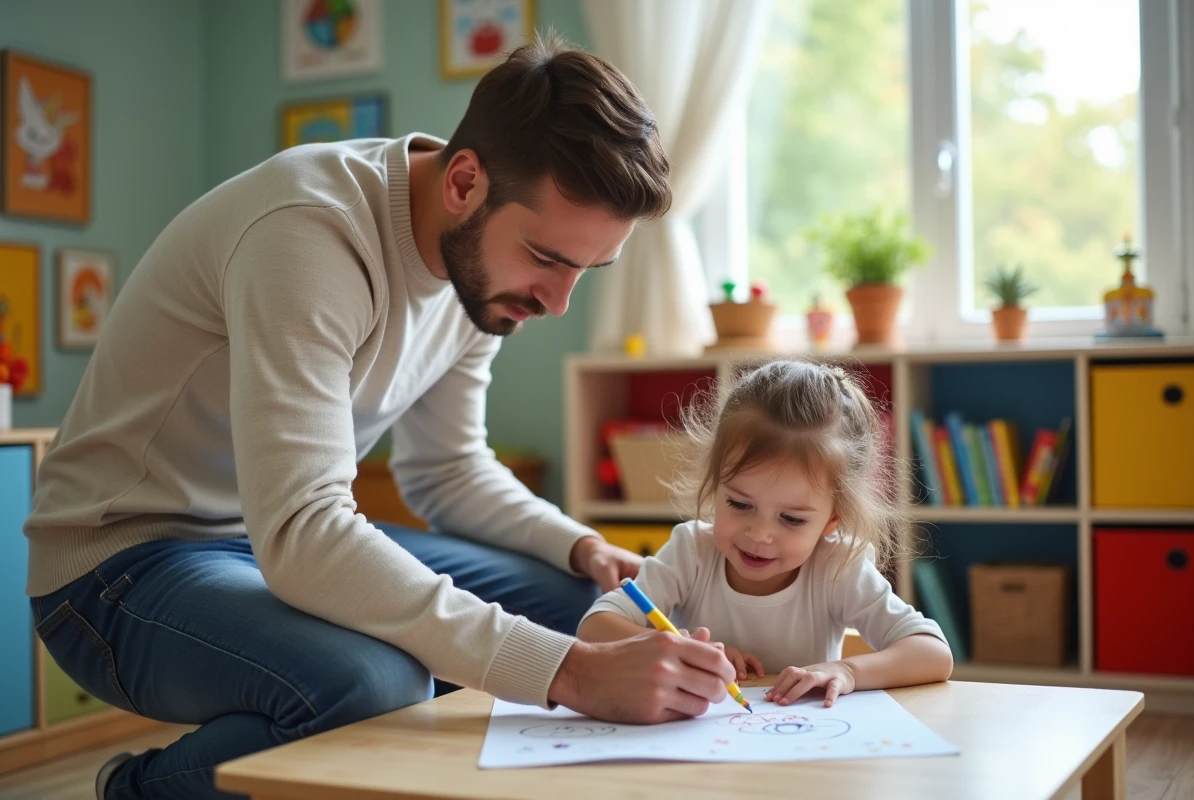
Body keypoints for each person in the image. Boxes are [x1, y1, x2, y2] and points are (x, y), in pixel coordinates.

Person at [24, 35, 736, 800]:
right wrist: (567, 674)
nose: (556, 302)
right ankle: (137, 790)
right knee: (375, 684)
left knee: (583, 609)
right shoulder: (308, 234)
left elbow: (447, 470)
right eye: (546, 258)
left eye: (585, 271)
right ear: (465, 181)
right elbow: (303, 534)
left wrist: (582, 547)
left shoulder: (478, 274)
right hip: (121, 565)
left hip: (267, 538)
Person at [578, 360, 954, 707]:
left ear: (832, 520)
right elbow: (594, 626)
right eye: (740, 505)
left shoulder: (838, 566)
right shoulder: (692, 550)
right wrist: (682, 649)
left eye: (791, 519)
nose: (759, 535)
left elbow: (933, 653)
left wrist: (849, 671)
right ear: (715, 484)